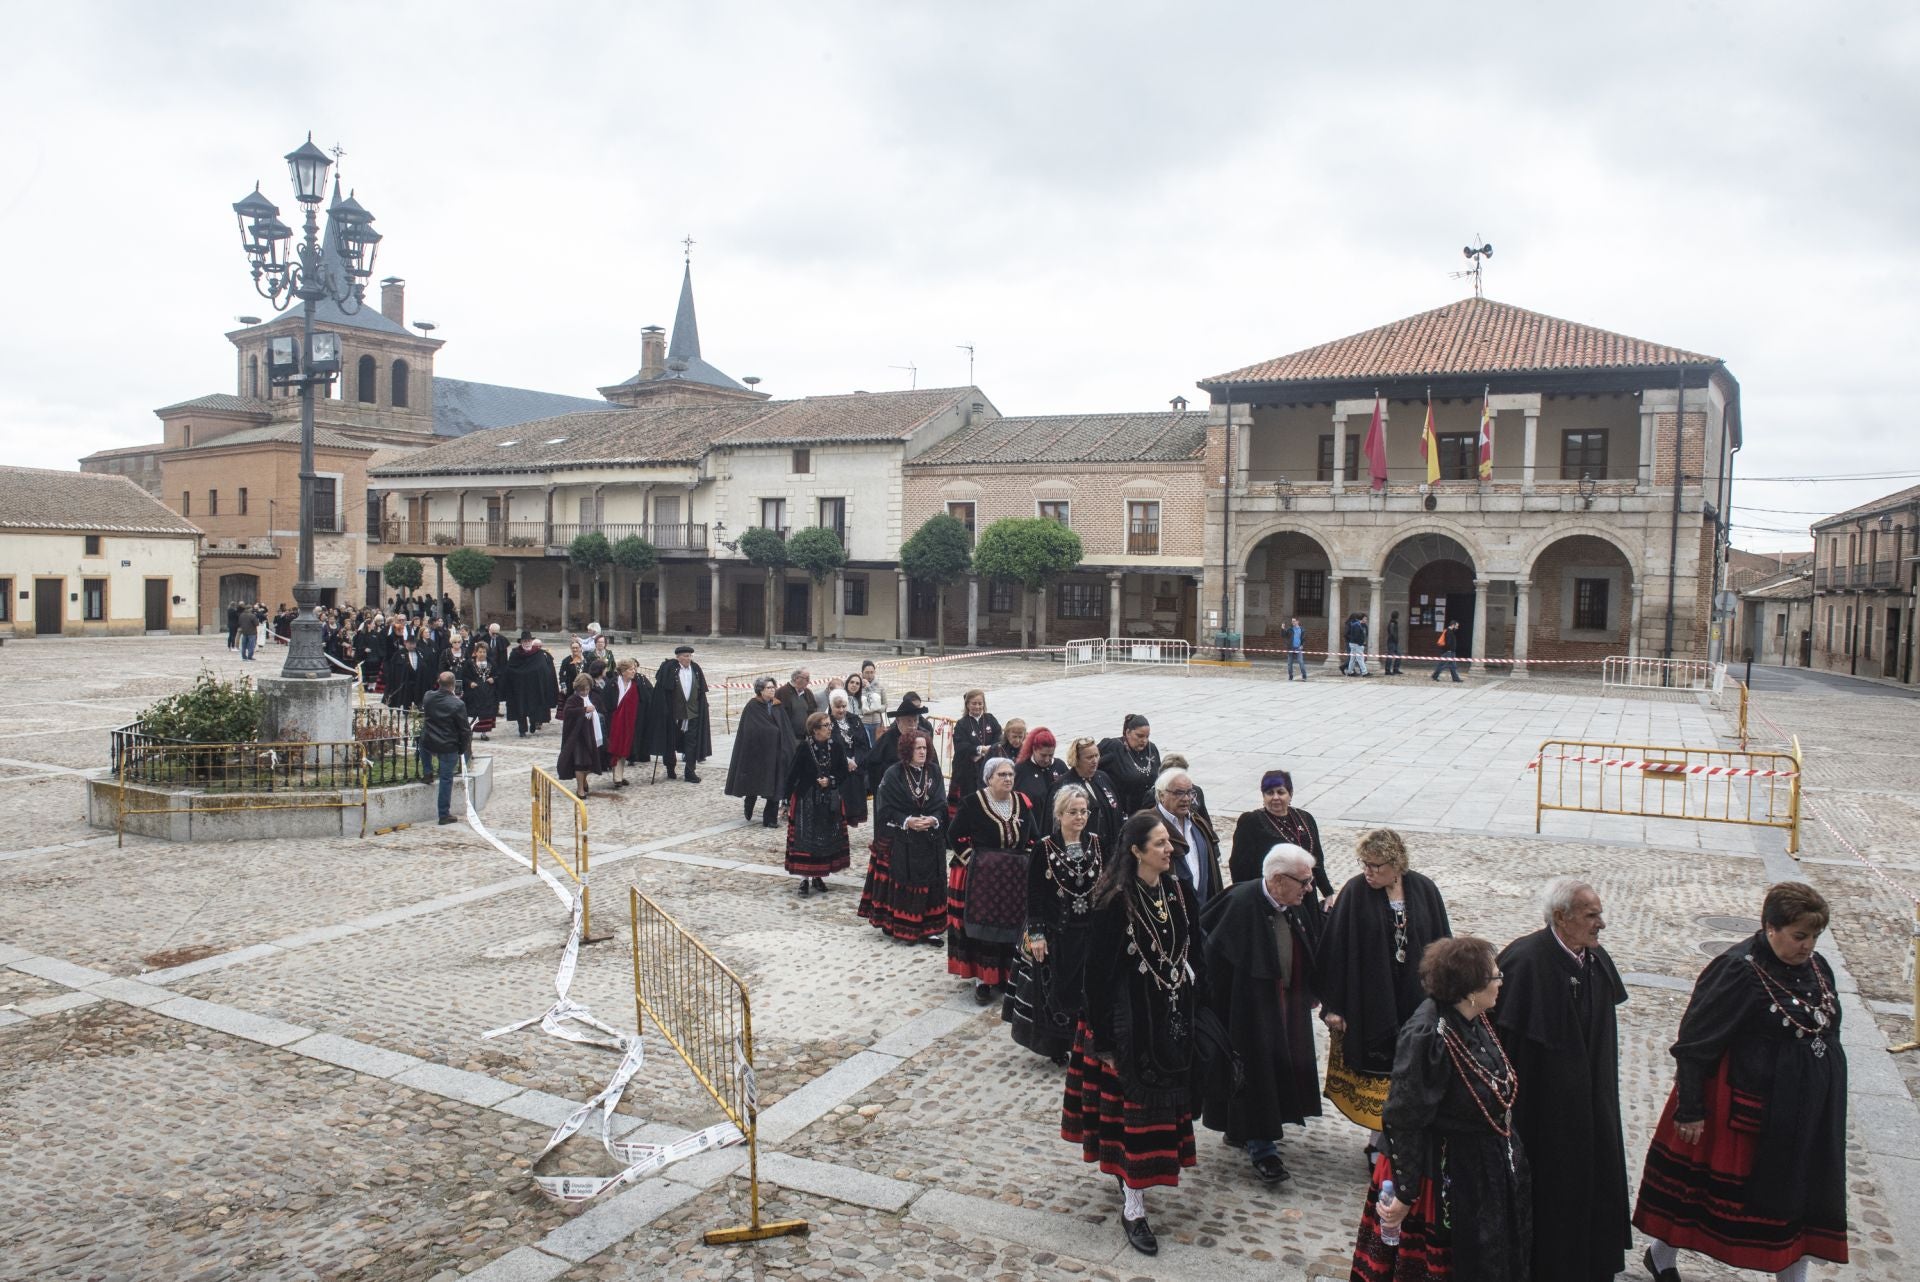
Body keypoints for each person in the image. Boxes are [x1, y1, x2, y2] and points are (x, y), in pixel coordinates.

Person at [1632, 882, 1848, 1282]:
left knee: (1800, 1194)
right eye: (1800, 936)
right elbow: (1695, 1041)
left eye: (1815, 936)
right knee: (1705, 1195)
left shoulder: (1818, 966)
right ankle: (1661, 1256)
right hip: (1751, 1106)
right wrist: (1691, 1108)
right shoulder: (1737, 970)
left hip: (1808, 1106)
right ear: (1770, 927)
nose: (1808, 946)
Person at [1061, 811, 1206, 1258]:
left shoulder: (1179, 892)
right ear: (1137, 851)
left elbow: (1193, 948)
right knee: (1132, 1118)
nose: (1170, 850)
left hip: (1169, 1018)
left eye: (1170, 843)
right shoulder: (1114, 903)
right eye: (1161, 843)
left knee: (1163, 1107)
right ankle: (1134, 1204)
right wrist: (1103, 1042)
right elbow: (1097, 978)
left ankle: (1139, 1184)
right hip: (1127, 1026)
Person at [1352, 936, 1531, 1281]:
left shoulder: (1475, 1018)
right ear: (1470, 987)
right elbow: (1403, 1116)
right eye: (1495, 977)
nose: (1501, 982)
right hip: (1439, 1173)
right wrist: (1405, 1192)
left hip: (1480, 1166)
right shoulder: (1427, 1036)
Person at [1493, 878, 1629, 1282]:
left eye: (1599, 914)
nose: (1600, 924)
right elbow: (1505, 1045)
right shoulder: (1525, 961)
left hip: (1591, 1102)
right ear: (1561, 917)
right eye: (1591, 916)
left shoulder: (1594, 959)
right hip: (1542, 1112)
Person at [1319, 828, 1452, 1165]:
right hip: (1371, 999)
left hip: (1415, 1000)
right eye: (1365, 864)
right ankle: (1379, 1144)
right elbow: (1334, 951)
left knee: (1411, 1074)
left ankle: (1403, 1140)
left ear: (1396, 864)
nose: (1369, 872)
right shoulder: (1354, 892)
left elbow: (1442, 944)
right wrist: (1333, 1006)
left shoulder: (1423, 890)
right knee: (1380, 1075)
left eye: (1376, 866)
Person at [1200, 844, 1324, 1184]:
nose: (1309, 889)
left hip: (1285, 1007)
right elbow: (1211, 959)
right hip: (1247, 1012)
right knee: (1255, 1075)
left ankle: (1243, 1130)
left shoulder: (1292, 902)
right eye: (1303, 882)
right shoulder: (1239, 904)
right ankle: (1263, 1149)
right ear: (1279, 879)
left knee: (1275, 1072)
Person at [1004, 784, 1103, 1065]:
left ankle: (1084, 1042)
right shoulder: (1044, 848)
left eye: (1084, 812)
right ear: (1060, 814)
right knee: (1058, 989)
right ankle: (1058, 1045)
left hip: (1088, 932)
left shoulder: (1096, 843)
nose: (1080, 817)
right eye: (1073, 812)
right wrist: (1036, 934)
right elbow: (1033, 895)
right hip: (1056, 933)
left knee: (1087, 988)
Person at [948, 757, 1038, 1005]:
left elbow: (1034, 836)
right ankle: (983, 981)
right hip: (983, 878)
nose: (1008, 779)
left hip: (1013, 877)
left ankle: (1006, 976)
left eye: (1010, 774)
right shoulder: (973, 803)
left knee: (1012, 926)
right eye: (1002, 775)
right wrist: (972, 860)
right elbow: (954, 834)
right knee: (985, 926)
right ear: (989, 778)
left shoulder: (1021, 803)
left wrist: (1027, 859)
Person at [858, 728, 949, 944]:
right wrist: (907, 821)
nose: (922, 752)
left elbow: (941, 803)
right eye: (917, 748)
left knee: (931, 882)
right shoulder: (893, 773)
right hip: (904, 839)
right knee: (906, 881)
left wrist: (933, 820)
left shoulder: (934, 771)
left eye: (924, 748)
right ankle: (904, 926)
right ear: (907, 749)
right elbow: (886, 808)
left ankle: (930, 929)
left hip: (930, 839)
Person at [1228, 769, 1333, 908]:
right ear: (1263, 796)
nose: (1275, 797)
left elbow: (1317, 859)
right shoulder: (1251, 821)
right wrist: (1249, 899)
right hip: (1275, 898)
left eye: (1280, 792)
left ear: (1290, 794)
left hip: (1306, 895)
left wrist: (1328, 892)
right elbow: (1239, 867)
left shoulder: (1305, 818)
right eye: (1269, 793)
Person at [784, 711, 850, 898]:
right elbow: (793, 774)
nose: (830, 728)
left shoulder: (836, 747)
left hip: (829, 799)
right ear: (815, 730)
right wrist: (785, 800)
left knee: (825, 838)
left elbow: (843, 772)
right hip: (807, 800)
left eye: (830, 725)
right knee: (806, 839)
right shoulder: (804, 748)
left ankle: (819, 875)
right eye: (826, 725)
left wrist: (830, 781)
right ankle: (804, 879)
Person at [1152, 767, 1223, 911]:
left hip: (1202, 913)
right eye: (1178, 793)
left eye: (1190, 792)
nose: (1186, 799)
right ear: (1161, 795)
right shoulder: (1149, 824)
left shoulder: (1198, 824)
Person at [726, 677, 793, 827]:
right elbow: (751, 729)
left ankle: (770, 819)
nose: (772, 690)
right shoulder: (753, 706)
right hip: (757, 753)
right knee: (755, 782)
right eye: (768, 688)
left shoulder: (777, 706)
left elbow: (784, 727)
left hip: (775, 753)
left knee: (776, 784)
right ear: (760, 690)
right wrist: (772, 732)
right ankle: (749, 801)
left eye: (773, 687)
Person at [647, 645, 710, 783]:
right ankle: (670, 767)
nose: (688, 658)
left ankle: (690, 771)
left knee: (691, 742)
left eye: (690, 656)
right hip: (674, 714)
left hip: (692, 713)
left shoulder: (696, 669)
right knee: (671, 741)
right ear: (678, 657)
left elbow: (700, 691)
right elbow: (662, 690)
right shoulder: (670, 669)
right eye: (685, 656)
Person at [419, 672, 473, 826]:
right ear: (453, 685)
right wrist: (462, 749)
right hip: (448, 745)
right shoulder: (457, 704)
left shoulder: (428, 696)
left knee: (422, 741)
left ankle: (427, 771)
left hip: (430, 741)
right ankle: (443, 814)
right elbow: (464, 730)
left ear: (438, 682)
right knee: (446, 779)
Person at [1062, 736, 1124, 854]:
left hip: (1112, 849)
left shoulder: (1103, 777)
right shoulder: (1064, 785)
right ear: (1077, 759)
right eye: (1089, 757)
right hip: (1083, 850)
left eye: (1096, 756)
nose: (1095, 760)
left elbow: (1118, 808)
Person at [600, 657, 652, 788]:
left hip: (630, 722)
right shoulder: (612, 684)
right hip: (614, 721)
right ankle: (617, 777)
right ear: (623, 671)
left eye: (634, 669)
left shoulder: (637, 685)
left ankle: (619, 775)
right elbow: (606, 703)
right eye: (630, 669)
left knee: (625, 747)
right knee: (615, 747)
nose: (634, 671)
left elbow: (645, 701)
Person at [865, 696, 930, 796]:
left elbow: (932, 763)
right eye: (908, 721)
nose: (913, 725)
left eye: (915, 720)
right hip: (893, 792)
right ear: (898, 721)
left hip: (919, 789)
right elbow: (873, 765)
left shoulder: (923, 737)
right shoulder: (886, 739)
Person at [1099, 714, 1162, 815]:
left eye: (1147, 736)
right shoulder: (1113, 747)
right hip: (1122, 811)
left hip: (1148, 812)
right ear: (1128, 732)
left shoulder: (1151, 749)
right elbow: (1092, 765)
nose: (1144, 741)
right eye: (1139, 736)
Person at [949, 689, 1002, 807]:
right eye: (974, 703)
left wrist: (989, 749)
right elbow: (960, 746)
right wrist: (979, 749)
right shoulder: (961, 724)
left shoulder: (990, 719)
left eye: (980, 703)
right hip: (968, 771)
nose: (977, 706)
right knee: (970, 803)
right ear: (967, 704)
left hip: (988, 768)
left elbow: (999, 738)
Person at [827, 689, 870, 828]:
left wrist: (856, 759)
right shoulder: (826, 722)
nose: (841, 710)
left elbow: (863, 743)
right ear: (831, 706)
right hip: (837, 767)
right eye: (837, 707)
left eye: (844, 706)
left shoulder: (855, 720)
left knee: (855, 799)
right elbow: (827, 744)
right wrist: (845, 760)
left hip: (856, 767)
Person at [504, 631, 559, 737]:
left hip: (535, 687)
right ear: (521, 642)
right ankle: (522, 730)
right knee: (520, 708)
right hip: (520, 688)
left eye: (529, 640)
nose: (527, 643)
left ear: (532, 641)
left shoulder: (538, 653)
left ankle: (533, 723)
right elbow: (510, 669)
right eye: (524, 641)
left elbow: (544, 669)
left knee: (535, 707)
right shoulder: (515, 653)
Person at [1013, 727, 1068, 815]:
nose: (1047, 760)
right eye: (1043, 755)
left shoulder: (1060, 766)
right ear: (1034, 749)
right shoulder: (1021, 769)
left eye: (1051, 755)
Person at [1158, 752, 1211, 828]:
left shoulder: (1196, 791)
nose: (1186, 798)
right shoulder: (1155, 794)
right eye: (1178, 793)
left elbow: (1205, 820)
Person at [460, 647, 497, 739]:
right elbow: (464, 676)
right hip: (473, 692)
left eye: (484, 652)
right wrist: (470, 682)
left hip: (487, 692)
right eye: (480, 652)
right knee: (472, 713)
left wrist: (494, 679)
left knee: (486, 713)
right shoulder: (469, 663)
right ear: (475, 652)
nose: (482, 654)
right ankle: (470, 732)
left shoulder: (491, 662)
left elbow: (498, 674)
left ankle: (484, 733)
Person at [773, 667, 818, 741]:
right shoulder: (781, 692)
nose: (808, 681)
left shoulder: (808, 693)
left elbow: (813, 712)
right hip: (788, 738)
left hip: (805, 737)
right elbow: (776, 716)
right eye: (806, 678)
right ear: (797, 678)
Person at [858, 660, 887, 726]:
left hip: (877, 722)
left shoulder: (880, 687)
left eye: (872, 672)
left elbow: (885, 705)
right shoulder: (857, 686)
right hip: (862, 722)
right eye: (867, 673)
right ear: (862, 673)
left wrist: (876, 708)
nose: (869, 675)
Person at [1345, 612, 1370, 677]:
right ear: (1362, 618)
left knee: (1352, 659)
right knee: (1360, 658)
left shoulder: (1358, 624)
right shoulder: (1357, 625)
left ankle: (1350, 671)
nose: (1366, 620)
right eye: (1365, 619)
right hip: (1356, 644)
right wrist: (1361, 643)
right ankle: (1364, 672)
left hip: (1354, 644)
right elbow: (1356, 636)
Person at [1285, 616, 1308, 681]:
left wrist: (1302, 645)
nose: (1292, 622)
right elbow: (1284, 635)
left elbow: (1304, 639)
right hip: (1291, 648)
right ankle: (1290, 676)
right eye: (1292, 621)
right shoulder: (1290, 629)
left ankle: (1304, 676)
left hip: (1298, 648)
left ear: (1298, 621)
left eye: (1294, 621)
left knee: (1301, 662)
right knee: (1289, 664)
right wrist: (1282, 629)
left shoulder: (1302, 630)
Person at [1383, 610, 1403, 675]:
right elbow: (1392, 633)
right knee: (1390, 656)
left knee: (1399, 655)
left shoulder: (1394, 622)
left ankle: (1395, 669)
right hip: (1392, 641)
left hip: (1394, 641)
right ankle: (1387, 670)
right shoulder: (1392, 623)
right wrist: (1395, 639)